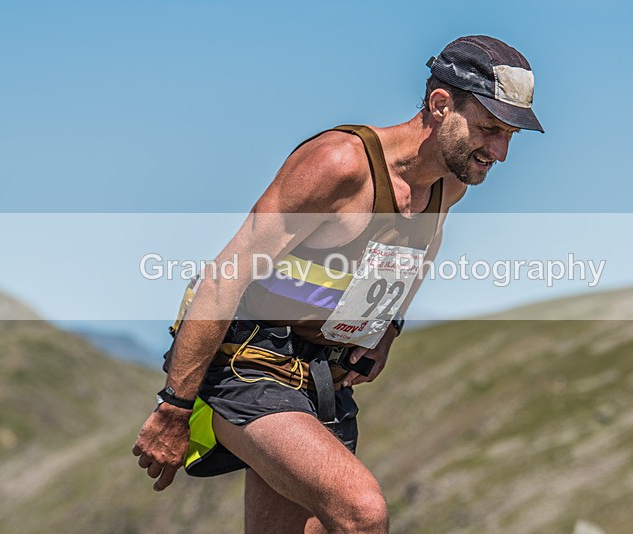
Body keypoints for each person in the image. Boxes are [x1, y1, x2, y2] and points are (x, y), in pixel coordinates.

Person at [133, 35, 544, 533]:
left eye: (509, 136)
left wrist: (388, 327)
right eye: (489, 129)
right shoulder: (338, 165)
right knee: (361, 512)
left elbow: (421, 249)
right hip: (248, 361)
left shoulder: (449, 183)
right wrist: (174, 406)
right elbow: (226, 277)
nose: (499, 152)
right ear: (440, 106)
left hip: (322, 375)